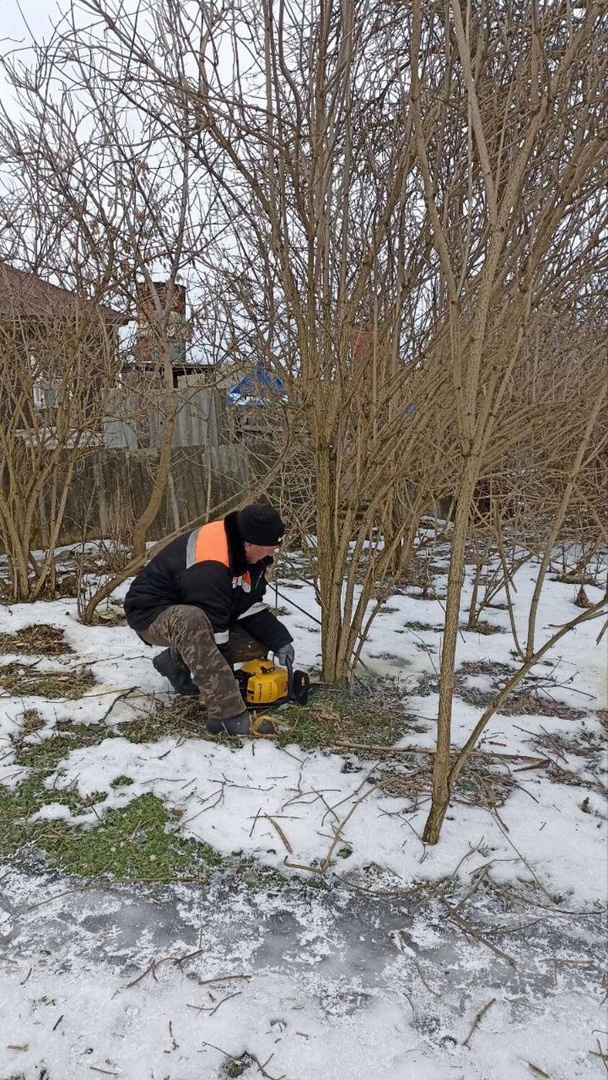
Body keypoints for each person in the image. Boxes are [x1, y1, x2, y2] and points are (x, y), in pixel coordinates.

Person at [124, 503, 295, 736]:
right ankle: (226, 717)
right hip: (151, 612)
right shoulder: (210, 564)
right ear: (250, 544)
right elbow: (215, 633)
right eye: (269, 548)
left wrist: (280, 640)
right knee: (192, 621)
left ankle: (175, 662)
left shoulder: (248, 556)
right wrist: (226, 692)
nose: (272, 555)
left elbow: (247, 605)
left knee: (254, 642)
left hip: (200, 611)